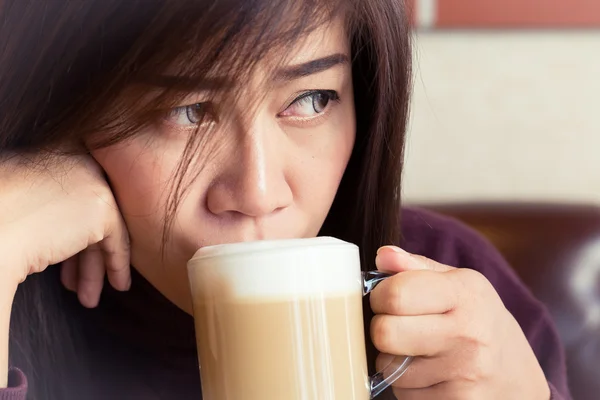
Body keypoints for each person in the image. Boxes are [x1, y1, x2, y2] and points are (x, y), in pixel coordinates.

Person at [0, 1, 570, 399]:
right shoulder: (19, 295)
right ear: (69, 115)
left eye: (312, 98)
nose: (258, 192)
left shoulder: (452, 282)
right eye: (185, 112)